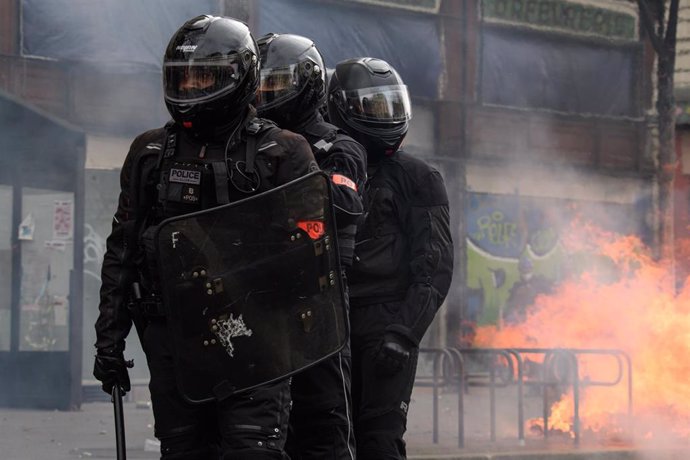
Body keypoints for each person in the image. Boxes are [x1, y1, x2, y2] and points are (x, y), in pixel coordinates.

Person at [92, 15, 318, 459]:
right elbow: (122, 252)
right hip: (175, 339)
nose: (193, 87)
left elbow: (314, 255)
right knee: (183, 452)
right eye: (184, 77)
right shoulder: (150, 153)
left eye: (205, 76)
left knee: (253, 450)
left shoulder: (283, 152)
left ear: (241, 76)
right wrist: (108, 341)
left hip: (258, 338)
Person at [327, 57, 454, 459]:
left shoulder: (418, 178)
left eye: (388, 106)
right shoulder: (323, 166)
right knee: (325, 438)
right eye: (371, 107)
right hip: (329, 321)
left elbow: (434, 265)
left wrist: (404, 333)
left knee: (379, 441)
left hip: (386, 324)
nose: (383, 117)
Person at [255, 33, 367, 460]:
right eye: (261, 85)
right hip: (261, 302)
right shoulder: (251, 147)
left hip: (318, 305)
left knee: (325, 429)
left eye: (276, 84)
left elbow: (341, 203)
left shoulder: (338, 146)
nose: (267, 95)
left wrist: (297, 166)